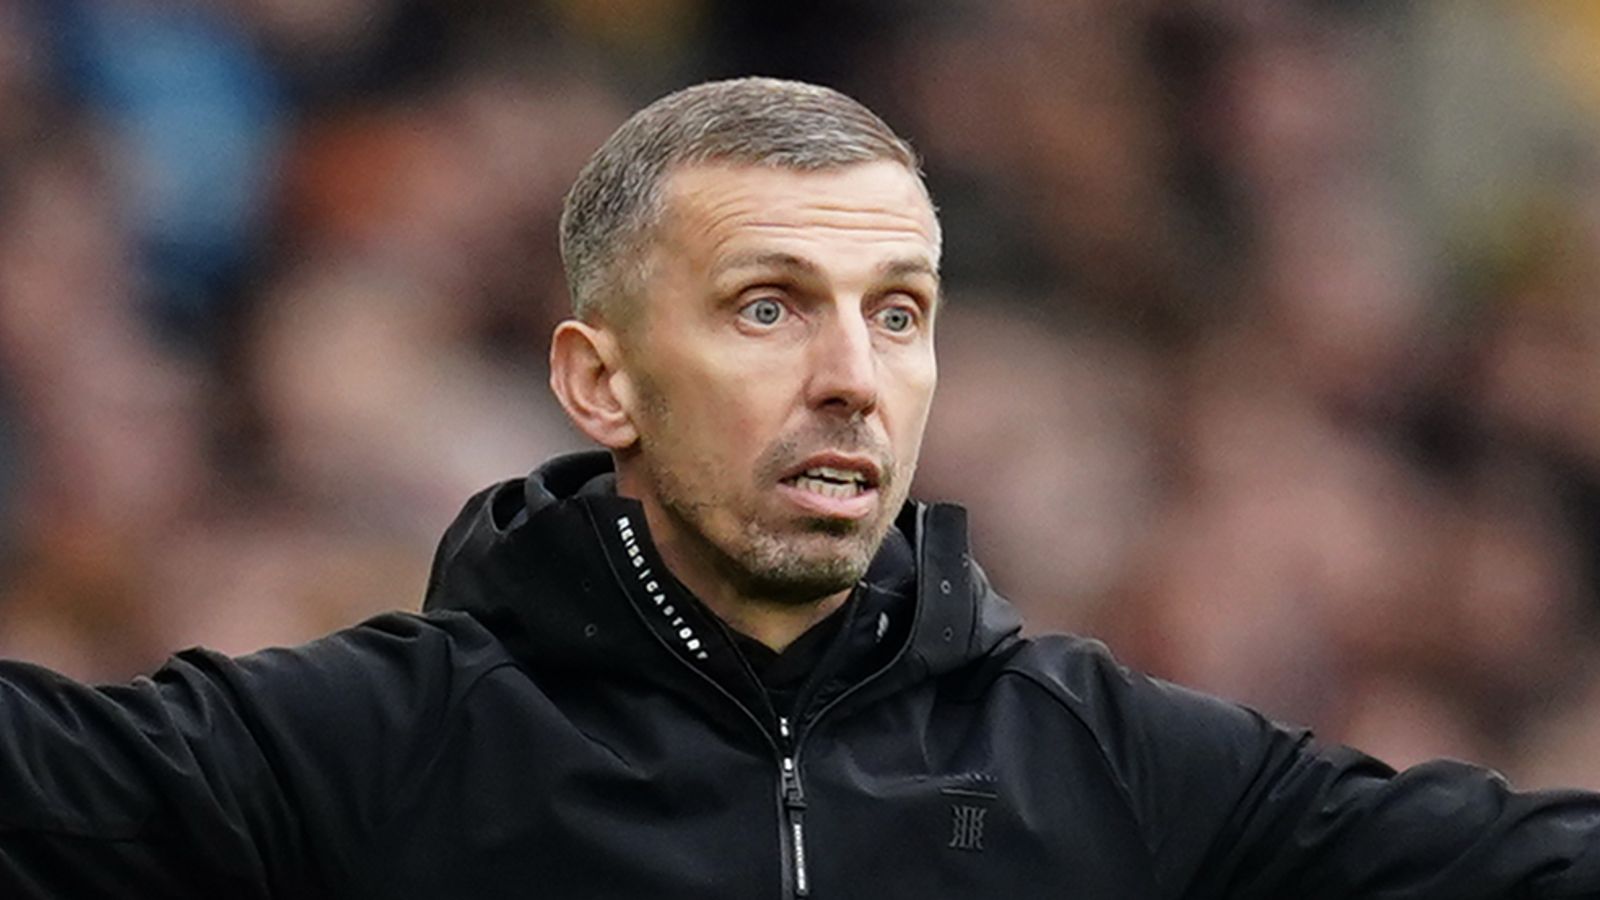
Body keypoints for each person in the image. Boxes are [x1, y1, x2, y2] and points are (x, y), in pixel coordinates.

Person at [2, 77, 1599, 900]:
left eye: (898, 314)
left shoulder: (1115, 766)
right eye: (768, 307)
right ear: (601, 382)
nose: (852, 374)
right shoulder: (365, 751)